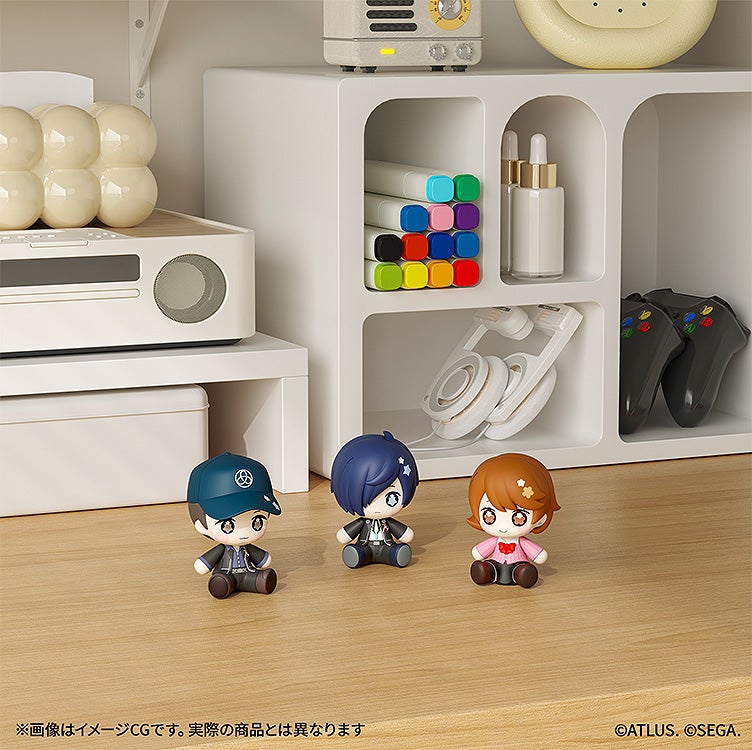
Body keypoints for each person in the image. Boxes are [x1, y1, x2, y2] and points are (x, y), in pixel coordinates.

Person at [187, 453, 281, 599]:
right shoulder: (221, 549)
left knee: (259, 578)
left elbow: (264, 560)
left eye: (257, 522)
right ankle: (222, 584)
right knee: (222, 581)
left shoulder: (247, 548)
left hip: (248, 573)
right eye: (228, 525)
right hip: (226, 574)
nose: (244, 532)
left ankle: (260, 581)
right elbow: (202, 566)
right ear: (200, 525)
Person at [467, 453, 559, 588]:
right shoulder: (495, 541)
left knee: (522, 570)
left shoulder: (522, 543)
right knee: (488, 567)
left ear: (541, 518)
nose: (503, 526)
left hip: (519, 564)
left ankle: (523, 575)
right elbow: (477, 553)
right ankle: (487, 572)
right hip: (495, 562)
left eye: (519, 517)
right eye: (489, 515)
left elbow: (540, 557)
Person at [331, 431, 419, 569]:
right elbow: (343, 536)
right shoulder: (363, 523)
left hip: (387, 547)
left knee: (393, 552)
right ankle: (357, 555)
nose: (378, 508)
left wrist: (404, 535)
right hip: (364, 547)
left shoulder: (387, 522)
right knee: (359, 552)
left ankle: (395, 554)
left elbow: (406, 535)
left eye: (392, 497)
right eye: (368, 500)